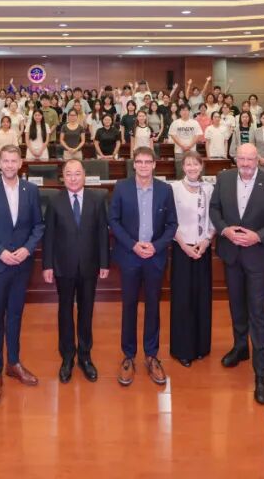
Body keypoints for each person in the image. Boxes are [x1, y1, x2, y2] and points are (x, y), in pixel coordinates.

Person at [209, 143, 264, 405]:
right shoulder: (223, 178)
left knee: (258, 312)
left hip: (258, 256)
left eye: (250, 159)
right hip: (231, 254)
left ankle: (261, 371)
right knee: (236, 305)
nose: (245, 164)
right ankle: (240, 347)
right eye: (241, 159)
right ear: (236, 159)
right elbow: (214, 209)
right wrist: (224, 230)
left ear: (258, 160)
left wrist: (258, 236)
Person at [0, 145, 45, 409]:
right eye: (5, 161)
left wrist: (27, 249)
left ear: (21, 162)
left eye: (14, 160)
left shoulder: (31, 190)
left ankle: (13, 363)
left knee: (15, 315)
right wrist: (1, 252)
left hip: (22, 265)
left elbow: (38, 225)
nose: (9, 165)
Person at [109, 146, 178, 387]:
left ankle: (151, 355)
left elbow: (172, 224)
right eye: (139, 162)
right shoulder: (121, 187)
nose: (144, 166)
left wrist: (156, 247)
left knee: (153, 306)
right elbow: (113, 221)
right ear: (134, 164)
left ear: (155, 165)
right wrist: (132, 245)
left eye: (148, 162)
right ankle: (128, 355)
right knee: (129, 305)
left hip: (155, 257)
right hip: (130, 256)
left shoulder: (165, 190)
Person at [43, 159, 110, 383]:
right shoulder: (55, 201)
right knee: (64, 311)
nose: (73, 178)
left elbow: (102, 233)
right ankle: (67, 356)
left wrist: (104, 262)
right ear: (63, 177)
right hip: (63, 266)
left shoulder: (96, 199)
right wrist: (47, 265)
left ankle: (85, 355)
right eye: (68, 174)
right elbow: (49, 235)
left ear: (84, 175)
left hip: (90, 266)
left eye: (77, 173)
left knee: (86, 310)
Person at [169, 152, 215, 367]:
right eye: (188, 164)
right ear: (183, 166)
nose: (192, 168)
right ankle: (183, 349)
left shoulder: (209, 189)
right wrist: (184, 246)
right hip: (182, 248)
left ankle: (201, 346)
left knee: (202, 298)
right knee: (183, 299)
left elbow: (214, 219)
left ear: (201, 166)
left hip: (203, 248)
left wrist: (206, 241)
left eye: (196, 164)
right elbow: (170, 220)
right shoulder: (174, 188)